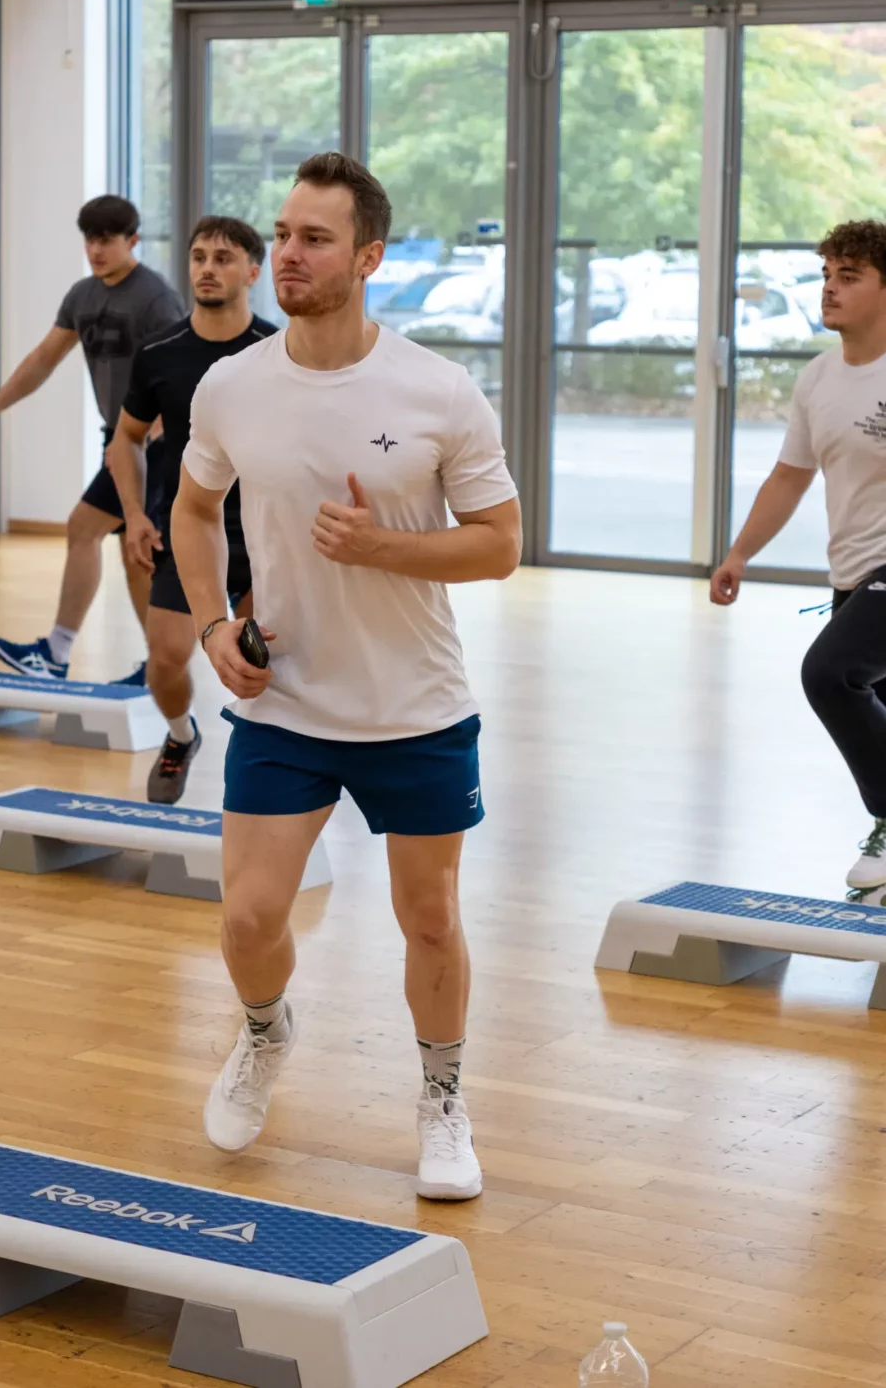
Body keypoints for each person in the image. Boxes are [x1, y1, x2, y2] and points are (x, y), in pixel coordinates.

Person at [170, 153, 521, 1199]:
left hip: (416, 708)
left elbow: (500, 544)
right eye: (283, 234)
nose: (287, 254)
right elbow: (194, 508)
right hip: (287, 703)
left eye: (314, 239)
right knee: (248, 919)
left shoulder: (436, 390)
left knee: (430, 919)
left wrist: (383, 549)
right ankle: (265, 1031)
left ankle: (443, 1098)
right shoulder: (232, 385)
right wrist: (212, 624)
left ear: (368, 258)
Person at [711, 220, 886, 903]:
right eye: (826, 275)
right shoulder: (818, 378)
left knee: (829, 673)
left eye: (850, 276)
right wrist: (739, 553)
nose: (830, 289)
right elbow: (790, 476)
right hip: (853, 576)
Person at [0, 195, 183, 682]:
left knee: (83, 526)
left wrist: (138, 441)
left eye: (106, 240)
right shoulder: (82, 296)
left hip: (157, 442)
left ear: (133, 240)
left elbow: (179, 375)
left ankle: (56, 653)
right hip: (122, 438)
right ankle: (160, 666)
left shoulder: (155, 299)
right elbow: (44, 358)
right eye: (89, 240)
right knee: (137, 553)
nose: (96, 250)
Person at [112, 216, 276, 803]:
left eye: (223, 258)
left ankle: (270, 766)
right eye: (199, 256)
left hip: (263, 537)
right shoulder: (159, 353)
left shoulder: (278, 352)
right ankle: (181, 735)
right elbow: (125, 438)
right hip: (188, 528)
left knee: (267, 667)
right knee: (165, 661)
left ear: (253, 272)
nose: (208, 268)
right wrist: (134, 514)